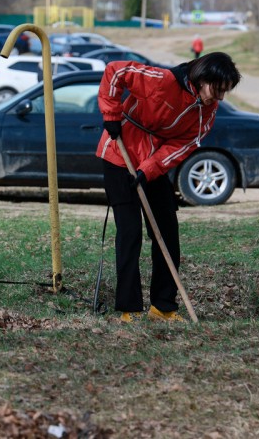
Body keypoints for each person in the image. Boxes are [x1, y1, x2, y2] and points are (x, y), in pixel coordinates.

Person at [97, 52, 241, 323]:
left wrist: (148, 170)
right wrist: (111, 114)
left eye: (225, 92)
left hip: (151, 166)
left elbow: (183, 146)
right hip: (119, 153)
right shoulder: (162, 81)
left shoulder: (206, 111)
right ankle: (129, 309)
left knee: (167, 232)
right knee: (129, 233)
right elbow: (115, 71)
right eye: (217, 90)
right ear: (202, 79)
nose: (219, 98)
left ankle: (162, 308)